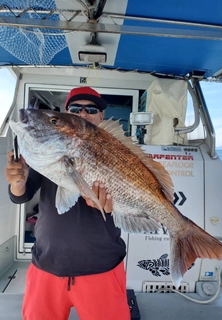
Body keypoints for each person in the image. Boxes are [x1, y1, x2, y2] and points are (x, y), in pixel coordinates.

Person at [4, 86, 130, 320]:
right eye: (75, 108)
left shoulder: (117, 151)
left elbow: (128, 202)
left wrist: (110, 207)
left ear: (101, 117)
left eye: (91, 109)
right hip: (47, 264)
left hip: (101, 266)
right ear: (66, 113)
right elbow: (21, 194)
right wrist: (17, 181)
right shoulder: (50, 150)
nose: (83, 114)